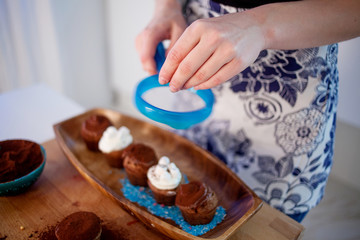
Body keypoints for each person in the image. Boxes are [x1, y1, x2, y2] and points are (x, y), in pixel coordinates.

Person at [135, 0, 360, 222]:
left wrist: (260, 26)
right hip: (195, 70)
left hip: (287, 101)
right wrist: (168, 7)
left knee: (261, 224)